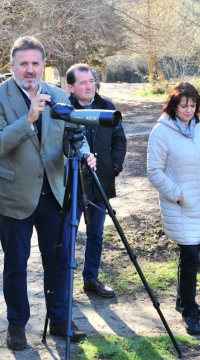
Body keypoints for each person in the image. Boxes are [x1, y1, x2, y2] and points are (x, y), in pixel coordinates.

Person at [0, 36, 96, 351]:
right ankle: (16, 325)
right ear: (12, 65)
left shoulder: (59, 95)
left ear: (43, 65)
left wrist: (84, 151)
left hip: (55, 193)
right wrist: (29, 118)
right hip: (13, 194)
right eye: (23, 64)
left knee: (59, 261)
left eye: (35, 64)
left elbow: (73, 133)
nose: (30, 70)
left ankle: (60, 319)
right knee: (16, 263)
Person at [147, 82, 200, 336]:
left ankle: (182, 300)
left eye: (193, 105)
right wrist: (178, 195)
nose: (189, 110)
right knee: (190, 257)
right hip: (180, 204)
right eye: (184, 105)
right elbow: (154, 171)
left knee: (192, 254)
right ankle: (189, 310)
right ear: (174, 105)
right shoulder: (161, 132)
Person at [66, 64, 127, 298]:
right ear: (71, 88)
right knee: (68, 236)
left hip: (100, 181)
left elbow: (119, 139)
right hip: (71, 184)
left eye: (92, 81)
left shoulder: (106, 107)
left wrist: (114, 166)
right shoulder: (63, 110)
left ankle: (91, 279)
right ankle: (64, 284)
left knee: (96, 234)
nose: (90, 86)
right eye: (83, 83)